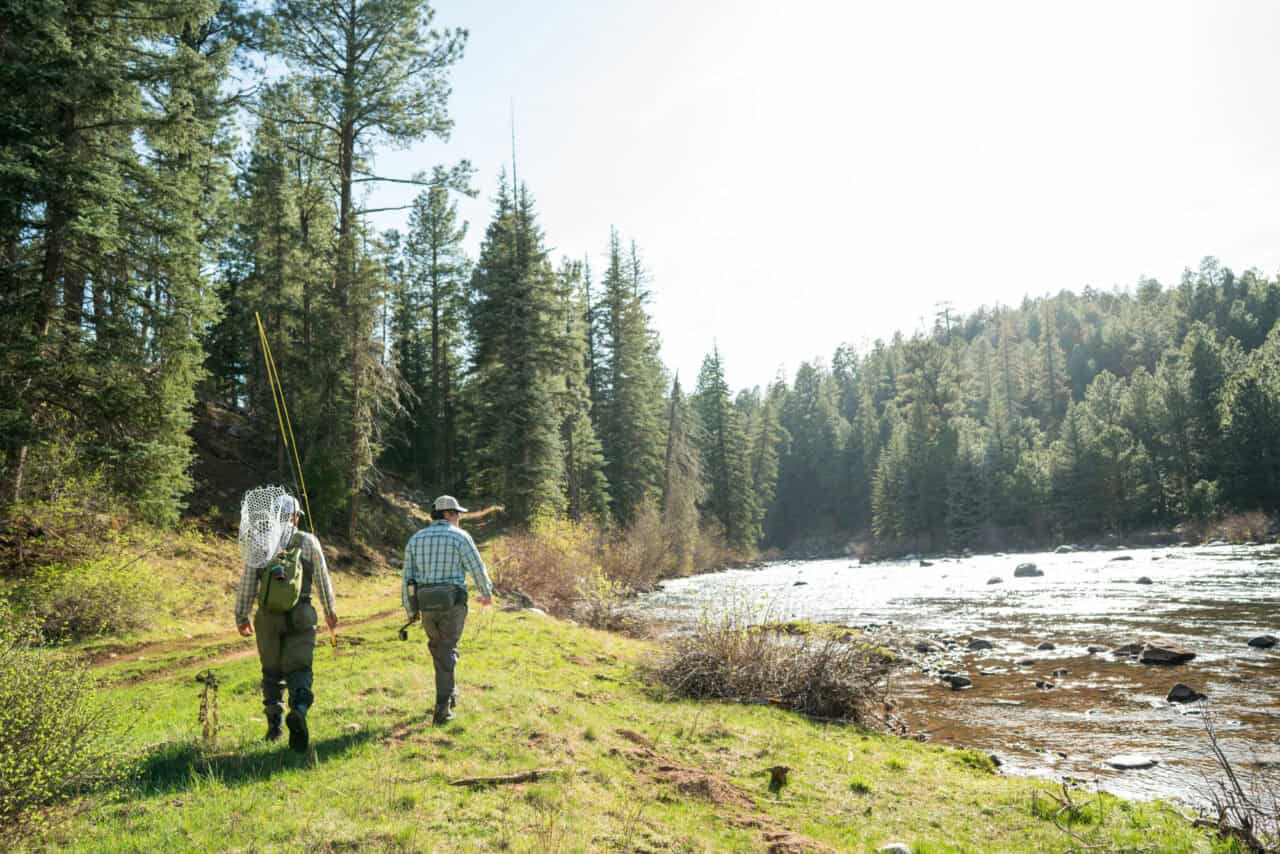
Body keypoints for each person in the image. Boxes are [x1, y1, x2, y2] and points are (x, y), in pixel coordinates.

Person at [234, 494, 338, 752]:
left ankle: (274, 727)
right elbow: (323, 579)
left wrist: (241, 616)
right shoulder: (308, 541)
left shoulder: (260, 542)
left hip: (268, 617)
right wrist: (330, 610)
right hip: (301, 613)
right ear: (296, 516)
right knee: (300, 668)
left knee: (271, 672)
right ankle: (299, 709)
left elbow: (247, 584)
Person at [402, 495, 494, 725]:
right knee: (446, 650)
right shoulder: (460, 537)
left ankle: (449, 694)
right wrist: (486, 593)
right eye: (457, 513)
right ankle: (442, 709)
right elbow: (477, 568)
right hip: (453, 603)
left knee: (440, 649)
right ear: (447, 514)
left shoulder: (416, 539)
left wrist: (410, 610)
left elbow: (407, 578)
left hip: (426, 605)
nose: (459, 518)